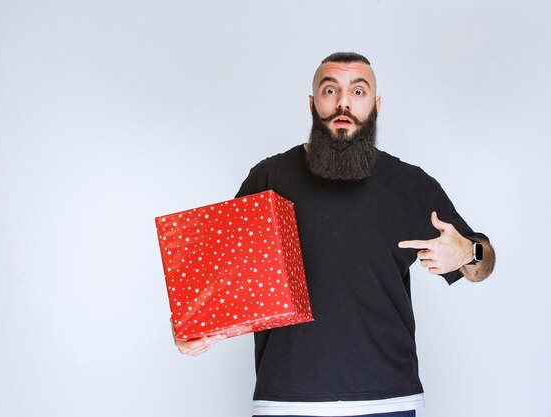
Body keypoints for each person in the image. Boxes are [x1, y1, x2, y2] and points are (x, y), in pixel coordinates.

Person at [173, 52, 496, 417]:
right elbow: (222, 274)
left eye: (358, 91)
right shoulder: (268, 179)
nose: (343, 102)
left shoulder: (410, 185)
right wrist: (192, 322)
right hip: (284, 400)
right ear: (313, 103)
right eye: (330, 90)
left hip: (387, 400)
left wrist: (468, 252)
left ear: (376, 104)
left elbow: (482, 262)